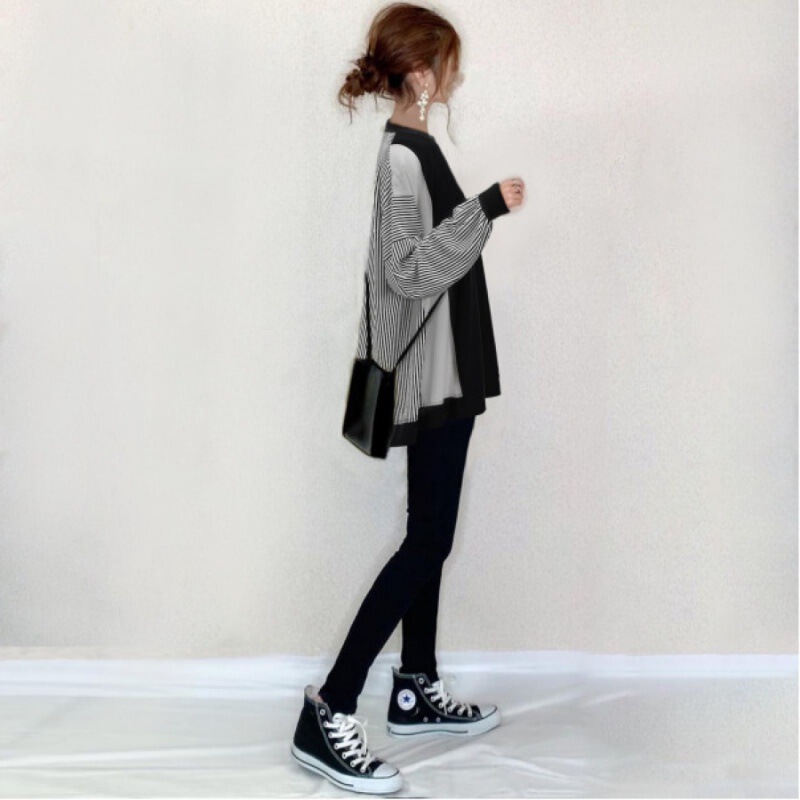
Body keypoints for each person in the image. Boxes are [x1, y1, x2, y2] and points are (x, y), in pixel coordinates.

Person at [290, 2, 525, 794]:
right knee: (427, 541)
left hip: (447, 370)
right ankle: (330, 708)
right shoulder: (402, 157)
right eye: (448, 64)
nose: (456, 76)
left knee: (431, 534)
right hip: (432, 375)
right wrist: (485, 209)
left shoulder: (418, 147)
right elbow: (407, 272)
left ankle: (415, 686)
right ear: (422, 75)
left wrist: (476, 213)